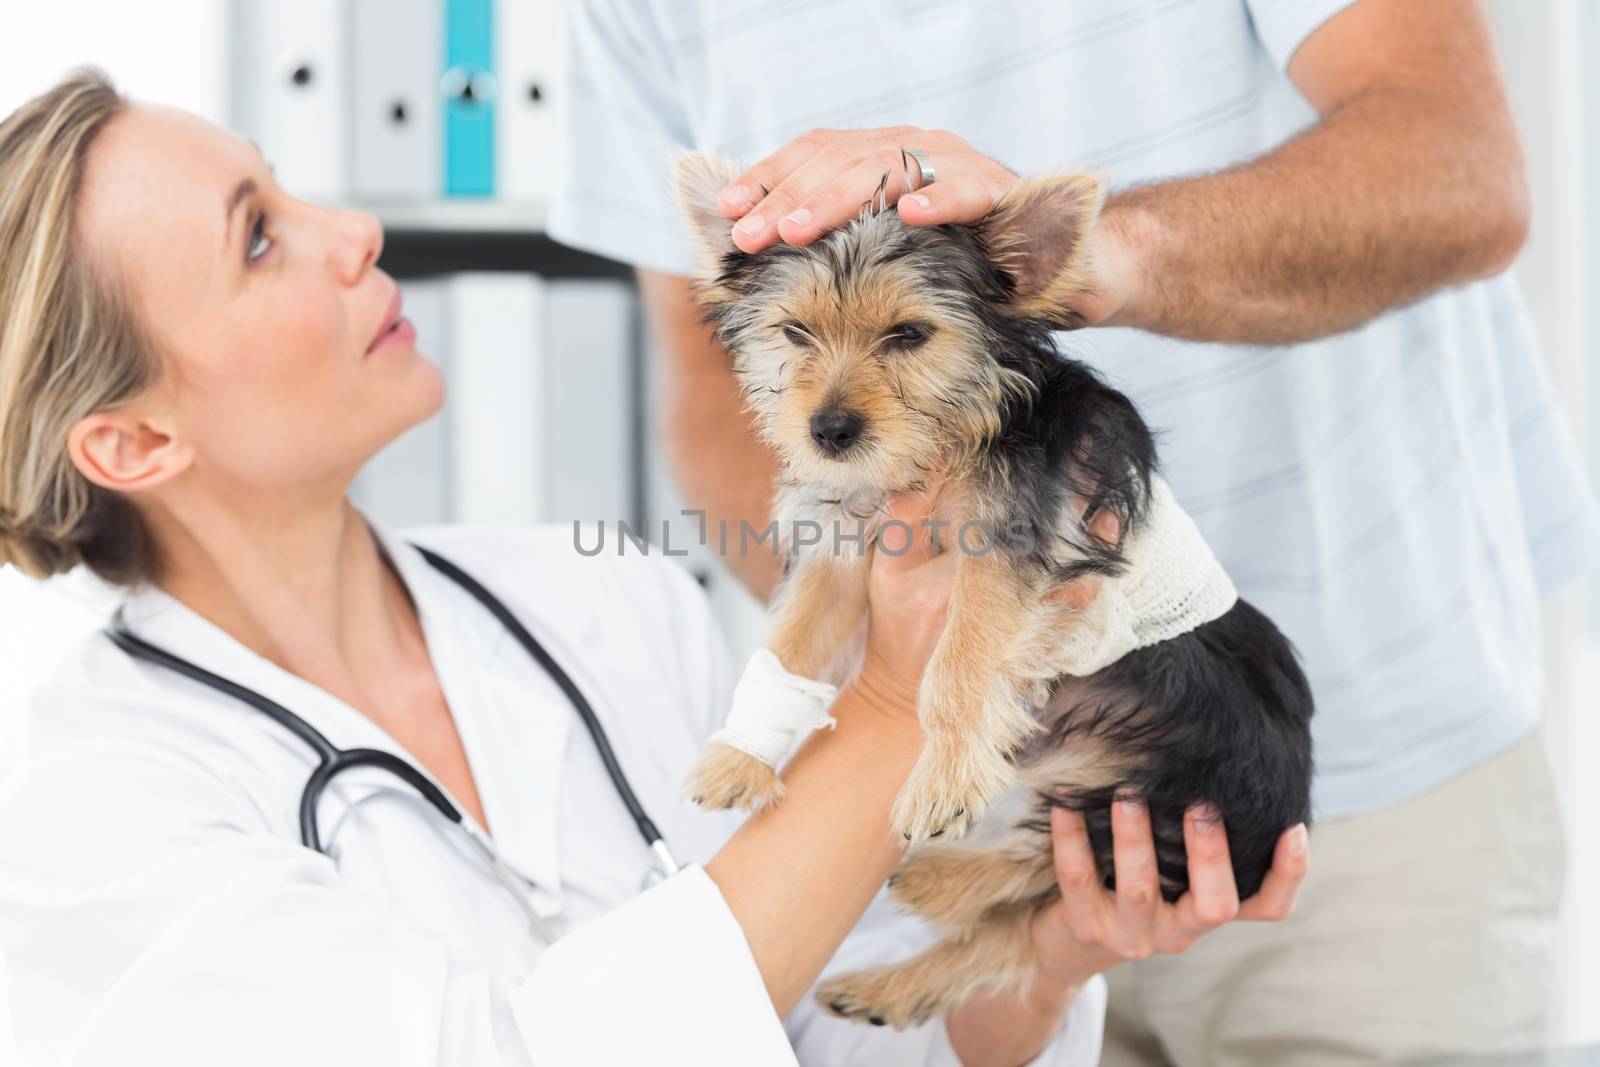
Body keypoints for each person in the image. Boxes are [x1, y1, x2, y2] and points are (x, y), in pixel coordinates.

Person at [0, 70, 1306, 1067]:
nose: (352, 228)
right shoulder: (89, 812)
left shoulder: (593, 595)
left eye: (288, 188)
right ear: (128, 438)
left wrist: (1042, 957)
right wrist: (899, 702)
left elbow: (832, 1020)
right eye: (260, 238)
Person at [547, 0, 1600, 1061]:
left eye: (904, 337)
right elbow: (706, 389)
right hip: (965, 812)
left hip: (1368, 770)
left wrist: (1102, 257)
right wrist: (885, 654)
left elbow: (1460, 168)